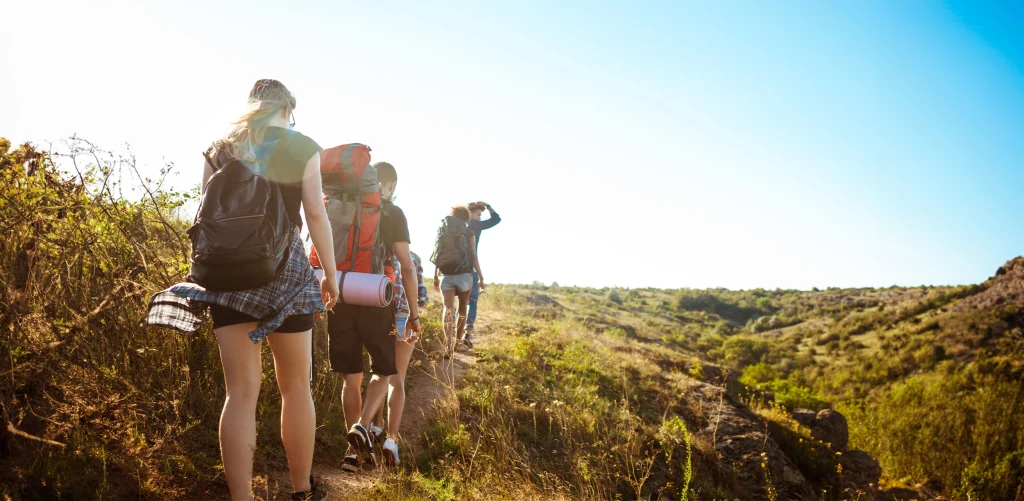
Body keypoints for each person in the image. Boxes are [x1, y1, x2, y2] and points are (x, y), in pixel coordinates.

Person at [146, 79, 336, 501]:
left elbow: (205, 215)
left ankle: (242, 497)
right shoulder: (301, 146)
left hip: (227, 276)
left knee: (240, 393)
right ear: (287, 109)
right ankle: (302, 491)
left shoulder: (219, 149)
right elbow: (317, 217)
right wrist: (333, 277)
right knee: (296, 388)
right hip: (286, 273)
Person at [332, 161, 421, 471]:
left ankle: (353, 454)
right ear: (391, 186)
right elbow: (407, 267)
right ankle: (363, 425)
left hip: (342, 293)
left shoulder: (342, 205)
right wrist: (413, 312)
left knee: (351, 378)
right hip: (375, 295)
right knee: (384, 370)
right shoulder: (392, 212)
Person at [368, 249, 427, 464]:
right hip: (405, 318)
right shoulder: (413, 257)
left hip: (377, 318)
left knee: (379, 373)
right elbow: (421, 298)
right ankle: (391, 441)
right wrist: (415, 316)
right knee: (397, 379)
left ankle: (375, 426)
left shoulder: (376, 253)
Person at [433, 206, 484, 354]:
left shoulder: (443, 230)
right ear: (467, 218)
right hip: (465, 275)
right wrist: (480, 276)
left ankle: (447, 347)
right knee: (462, 308)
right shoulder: (469, 233)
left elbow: (437, 254)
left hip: (445, 274)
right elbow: (473, 256)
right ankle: (457, 342)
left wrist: (435, 276)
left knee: (447, 309)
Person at [464, 201, 501, 347]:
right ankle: (467, 333)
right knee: (472, 302)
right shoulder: (475, 225)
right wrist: (489, 205)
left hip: (456, 270)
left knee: (461, 303)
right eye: (478, 214)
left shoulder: (460, 226)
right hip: (470, 270)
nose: (479, 218)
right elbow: (496, 219)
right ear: (471, 214)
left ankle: (455, 334)